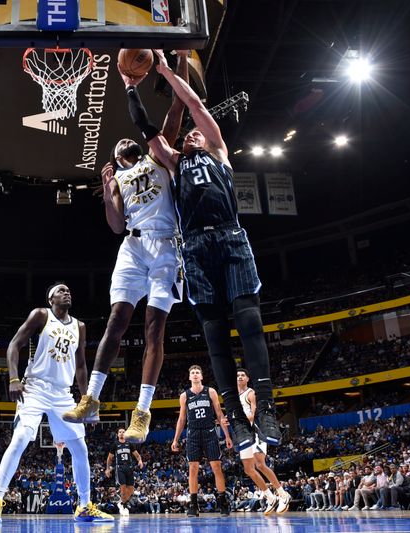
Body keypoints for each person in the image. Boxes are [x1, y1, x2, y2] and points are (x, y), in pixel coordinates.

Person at [118, 49, 282, 451]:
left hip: (230, 237)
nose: (190, 133)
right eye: (187, 133)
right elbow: (146, 128)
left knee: (249, 323)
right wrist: (130, 89)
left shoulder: (219, 152)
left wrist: (166, 71)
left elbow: (192, 102)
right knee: (214, 336)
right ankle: (238, 422)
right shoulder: (173, 163)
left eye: (196, 133)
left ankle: (266, 408)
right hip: (194, 246)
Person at [62, 52, 191, 444]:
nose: (122, 144)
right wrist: (106, 194)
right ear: (116, 158)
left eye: (125, 141)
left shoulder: (158, 153)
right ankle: (92, 399)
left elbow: (177, 104)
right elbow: (117, 226)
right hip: (132, 249)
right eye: (117, 147)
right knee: (115, 322)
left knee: (154, 328)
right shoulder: (117, 178)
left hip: (165, 247)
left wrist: (180, 64)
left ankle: (142, 412)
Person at [0, 284, 113, 523]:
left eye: (69, 290)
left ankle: (85, 506)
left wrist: (87, 400)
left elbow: (82, 366)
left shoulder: (79, 327)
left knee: (80, 449)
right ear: (51, 297)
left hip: (63, 393)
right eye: (61, 290)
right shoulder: (41, 315)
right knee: (20, 438)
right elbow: (14, 345)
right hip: (34, 387)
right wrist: (13, 378)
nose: (67, 292)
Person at [172, 365, 232, 516]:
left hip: (210, 432)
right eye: (192, 373)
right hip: (193, 434)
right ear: (189, 377)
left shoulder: (210, 391)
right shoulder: (184, 396)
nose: (195, 374)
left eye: (198, 372)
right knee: (192, 469)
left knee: (216, 468)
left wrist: (227, 435)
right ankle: (193, 505)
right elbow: (181, 419)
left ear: (202, 376)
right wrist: (175, 439)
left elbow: (219, 415)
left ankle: (223, 502)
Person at [236, 368, 291, 514]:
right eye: (238, 375)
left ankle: (283, 494)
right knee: (248, 469)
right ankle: (270, 497)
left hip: (255, 431)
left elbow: (254, 413)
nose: (240, 377)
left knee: (260, 464)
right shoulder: (235, 397)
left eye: (243, 375)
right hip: (243, 434)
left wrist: (236, 420)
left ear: (247, 379)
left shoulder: (251, 393)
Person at [105, 428, 144, 515]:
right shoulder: (115, 445)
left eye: (123, 432)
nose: (122, 433)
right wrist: (107, 469)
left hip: (129, 467)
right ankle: (125, 506)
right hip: (120, 468)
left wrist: (140, 461)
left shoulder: (129, 444)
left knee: (131, 489)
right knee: (123, 486)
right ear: (117, 434)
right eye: (120, 432)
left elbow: (137, 455)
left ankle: (121, 503)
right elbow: (109, 458)